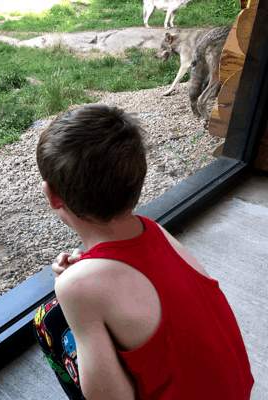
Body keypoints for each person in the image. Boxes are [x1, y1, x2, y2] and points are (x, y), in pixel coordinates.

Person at [33, 104, 254, 400]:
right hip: (235, 391)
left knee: (48, 319)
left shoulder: (76, 287)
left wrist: (75, 290)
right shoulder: (153, 229)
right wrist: (85, 272)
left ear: (52, 196)